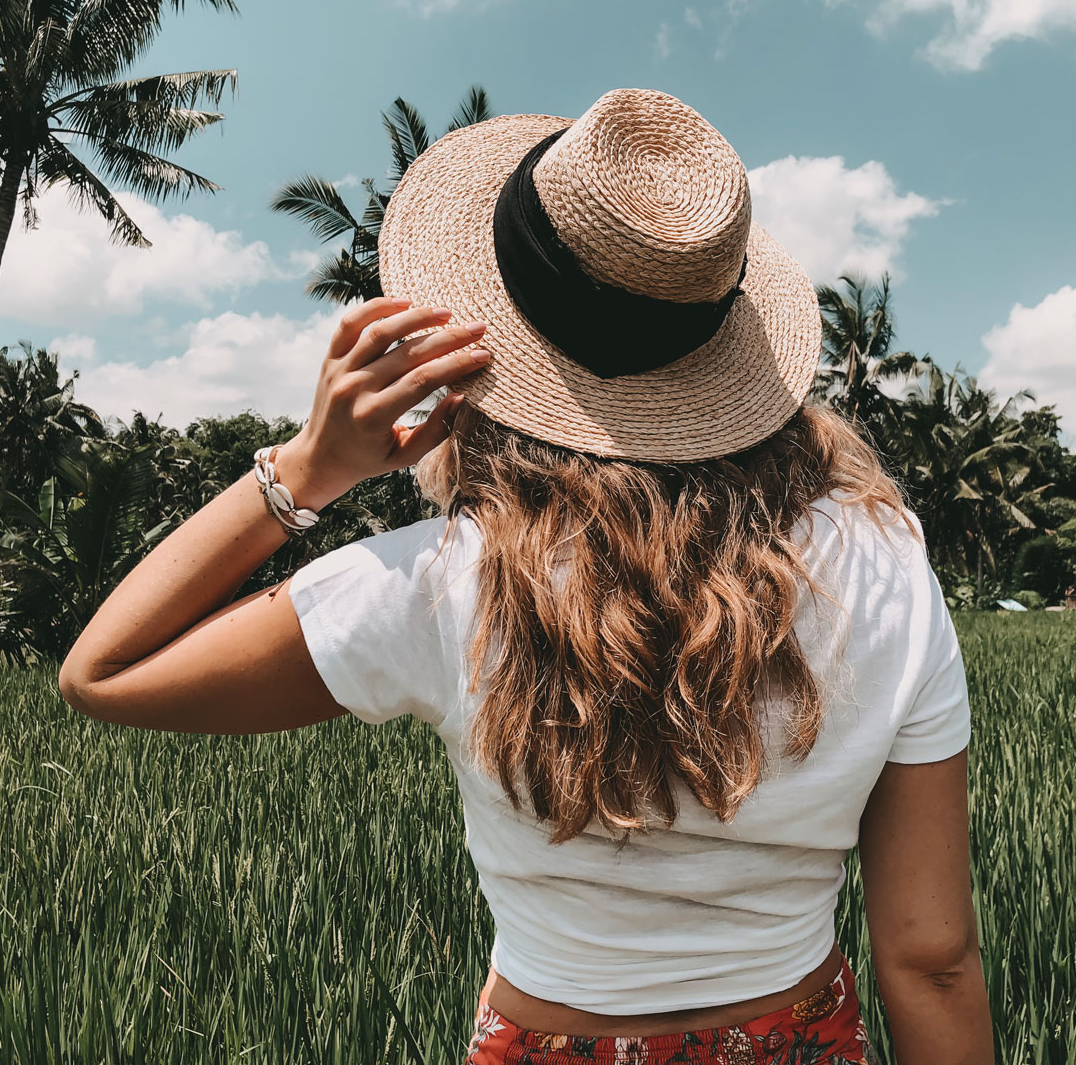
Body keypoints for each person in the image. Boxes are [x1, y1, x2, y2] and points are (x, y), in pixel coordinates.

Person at [60, 88, 994, 1064]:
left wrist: (305, 470)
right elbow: (931, 958)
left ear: (491, 340)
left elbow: (104, 674)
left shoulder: (439, 586)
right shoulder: (881, 565)